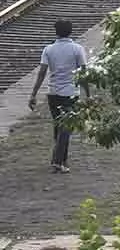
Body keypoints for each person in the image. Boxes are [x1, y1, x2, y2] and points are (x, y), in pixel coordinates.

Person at [28, 20, 88, 174]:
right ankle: (58, 160)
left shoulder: (48, 49)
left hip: (53, 93)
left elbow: (42, 73)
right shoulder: (77, 49)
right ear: (71, 31)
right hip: (70, 94)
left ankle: (62, 160)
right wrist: (87, 94)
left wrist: (33, 94)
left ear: (56, 32)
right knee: (66, 128)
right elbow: (84, 73)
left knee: (59, 127)